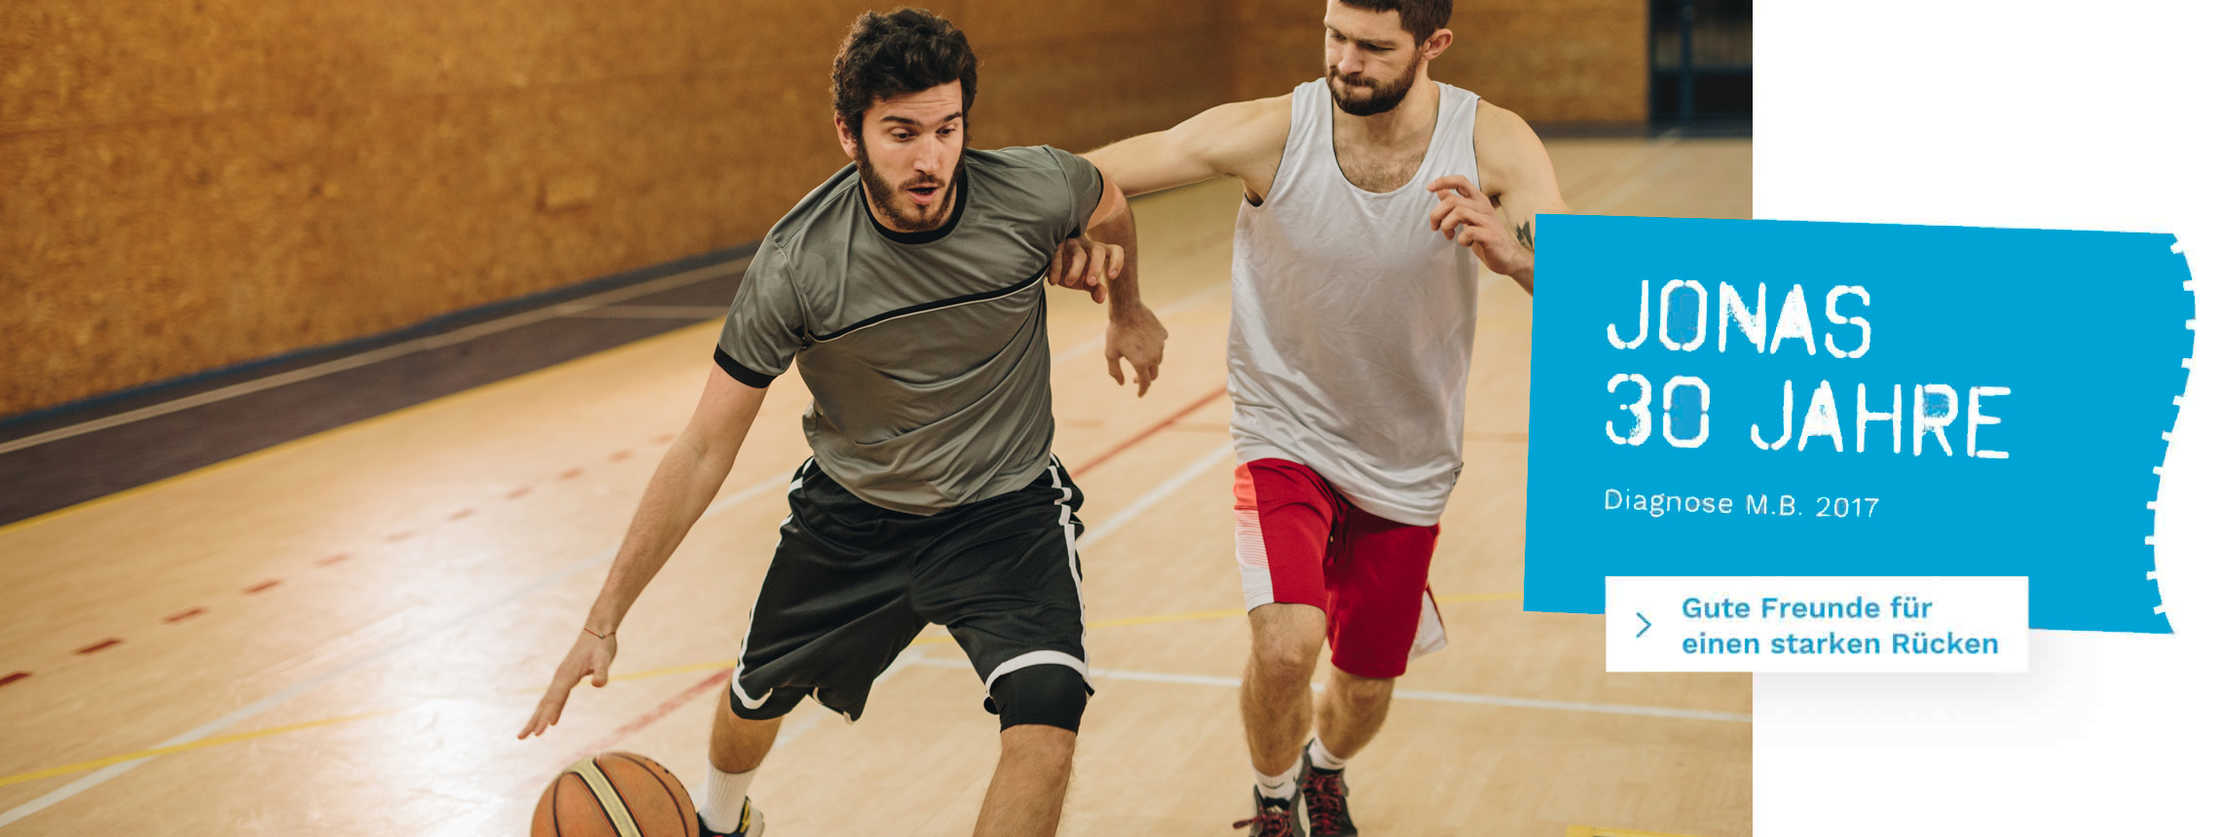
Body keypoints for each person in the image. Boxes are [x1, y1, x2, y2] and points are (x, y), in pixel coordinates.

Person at [515, 9, 1168, 837]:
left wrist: (1129, 310)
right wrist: (602, 619)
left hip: (1007, 513)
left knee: (1047, 718)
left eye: (948, 127)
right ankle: (722, 824)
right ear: (848, 134)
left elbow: (1106, 197)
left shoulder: (1034, 188)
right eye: (901, 133)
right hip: (855, 514)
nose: (930, 158)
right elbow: (705, 445)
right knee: (754, 700)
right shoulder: (798, 264)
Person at [1073, 1, 1566, 833]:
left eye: (1374, 48)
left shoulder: (1495, 142)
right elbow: (1097, 169)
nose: (1345, 61)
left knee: (1364, 688)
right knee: (1286, 645)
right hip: (1284, 433)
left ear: (1433, 45)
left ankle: (1323, 769)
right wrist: (1116, 297)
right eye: (1336, 37)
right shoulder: (1274, 130)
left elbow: (1596, 291)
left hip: (1409, 457)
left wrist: (1519, 257)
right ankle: (1272, 797)